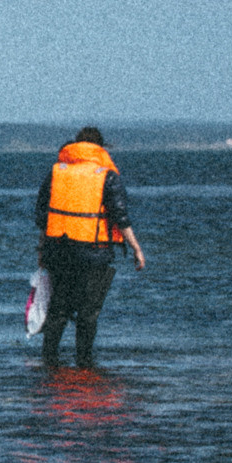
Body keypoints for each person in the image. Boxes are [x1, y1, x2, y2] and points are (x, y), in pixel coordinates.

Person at [34, 127, 146, 369]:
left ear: (75, 146)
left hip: (58, 250)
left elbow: (43, 216)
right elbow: (120, 216)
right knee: (88, 312)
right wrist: (136, 248)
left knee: (59, 309)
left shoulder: (57, 172)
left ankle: (48, 360)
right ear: (100, 148)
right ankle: (84, 363)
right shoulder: (106, 175)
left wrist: (42, 250)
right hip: (93, 254)